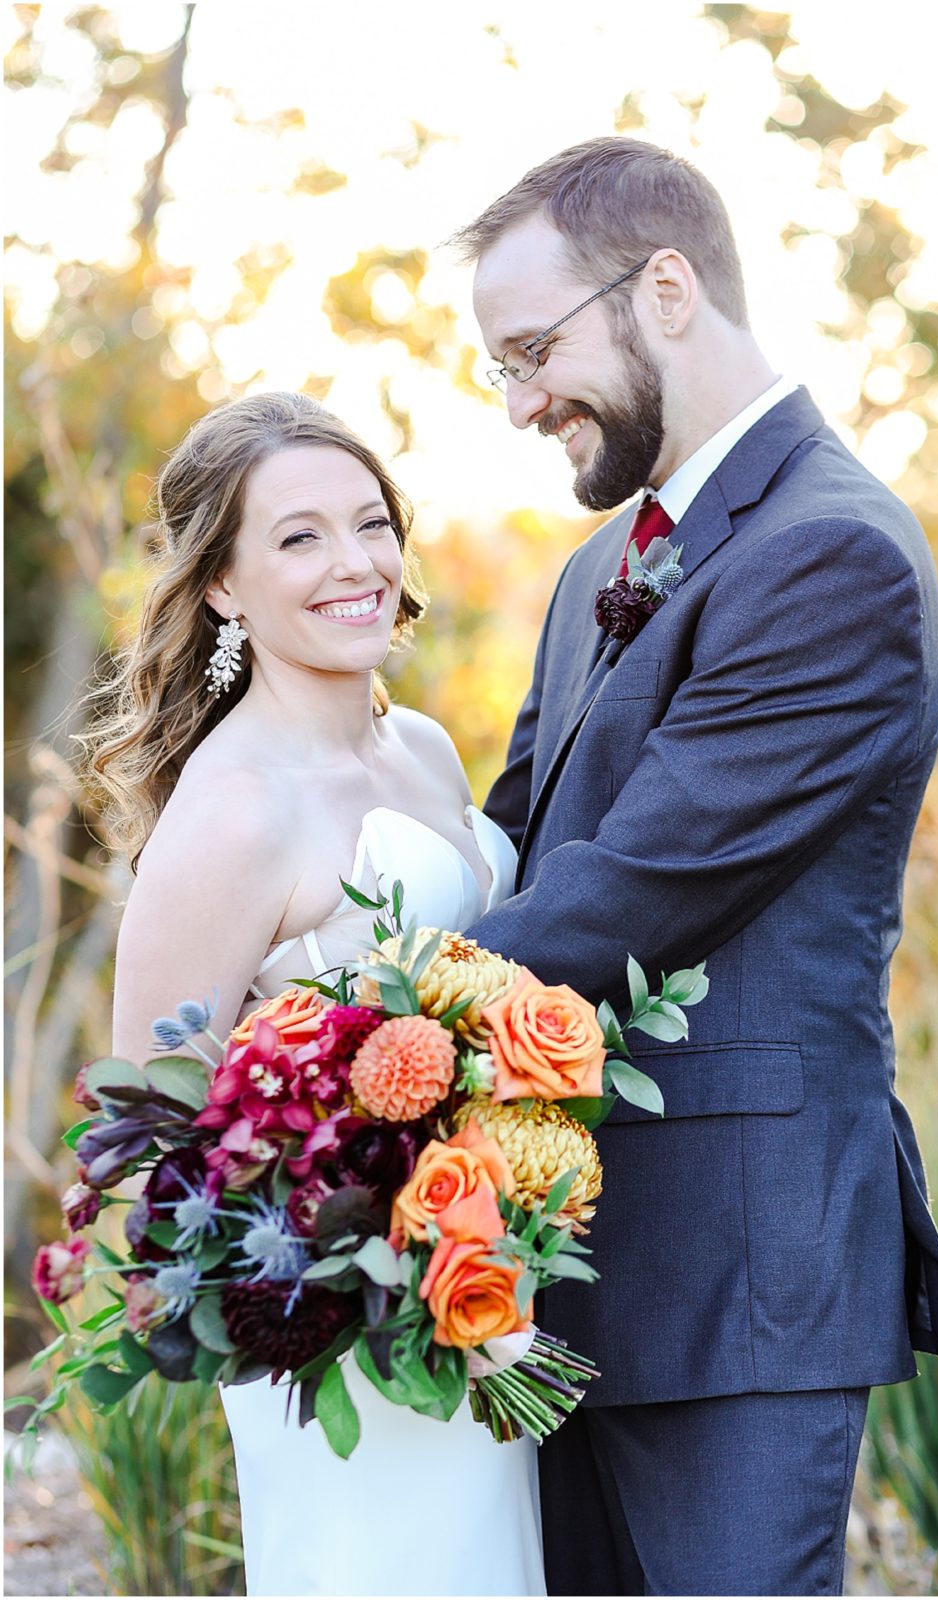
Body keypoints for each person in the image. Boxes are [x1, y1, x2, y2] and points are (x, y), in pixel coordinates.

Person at [454, 136, 938, 1597]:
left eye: (535, 349)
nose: (518, 402)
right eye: (497, 366)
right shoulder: (591, 570)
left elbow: (634, 893)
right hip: (553, 1269)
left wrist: (350, 1042)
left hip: (745, 1280)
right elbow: (515, 859)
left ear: (663, 288)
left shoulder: (832, 553)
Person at [93, 391, 544, 1598]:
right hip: (352, 1337)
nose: (356, 565)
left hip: (486, 1283)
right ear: (224, 585)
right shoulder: (235, 806)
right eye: (299, 537)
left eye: (371, 523)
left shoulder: (430, 750)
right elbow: (147, 1126)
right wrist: (338, 1255)